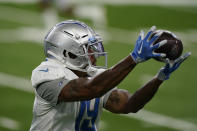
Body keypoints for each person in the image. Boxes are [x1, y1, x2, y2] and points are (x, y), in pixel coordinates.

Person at [30, 20, 190, 131]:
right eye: (88, 48)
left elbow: (129, 105)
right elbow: (90, 90)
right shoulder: (46, 73)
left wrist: (158, 79)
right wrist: (133, 59)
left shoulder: (95, 76)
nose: (95, 52)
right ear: (68, 53)